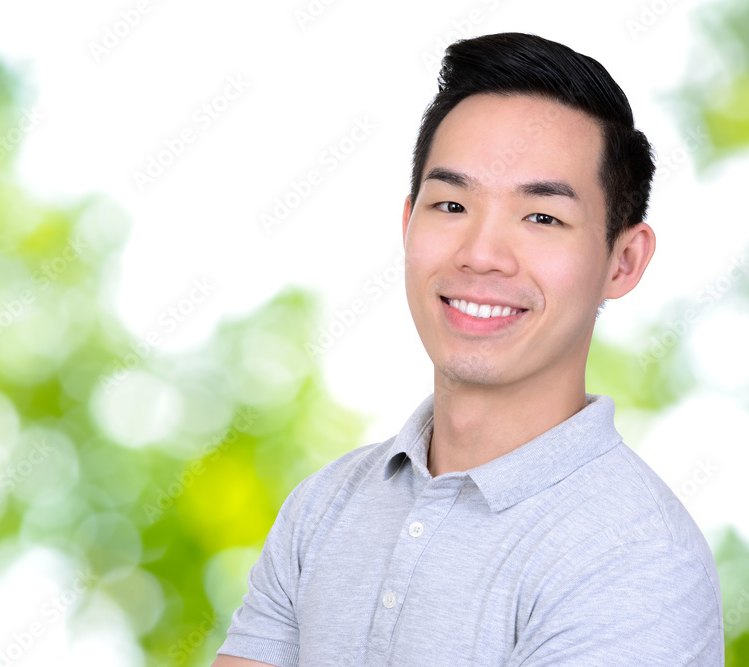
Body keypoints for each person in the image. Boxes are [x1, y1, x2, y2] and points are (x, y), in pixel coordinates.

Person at [212, 31, 724, 666]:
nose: (480, 254)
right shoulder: (323, 508)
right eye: (451, 204)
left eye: (542, 217)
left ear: (623, 261)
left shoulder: (638, 557)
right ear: (408, 225)